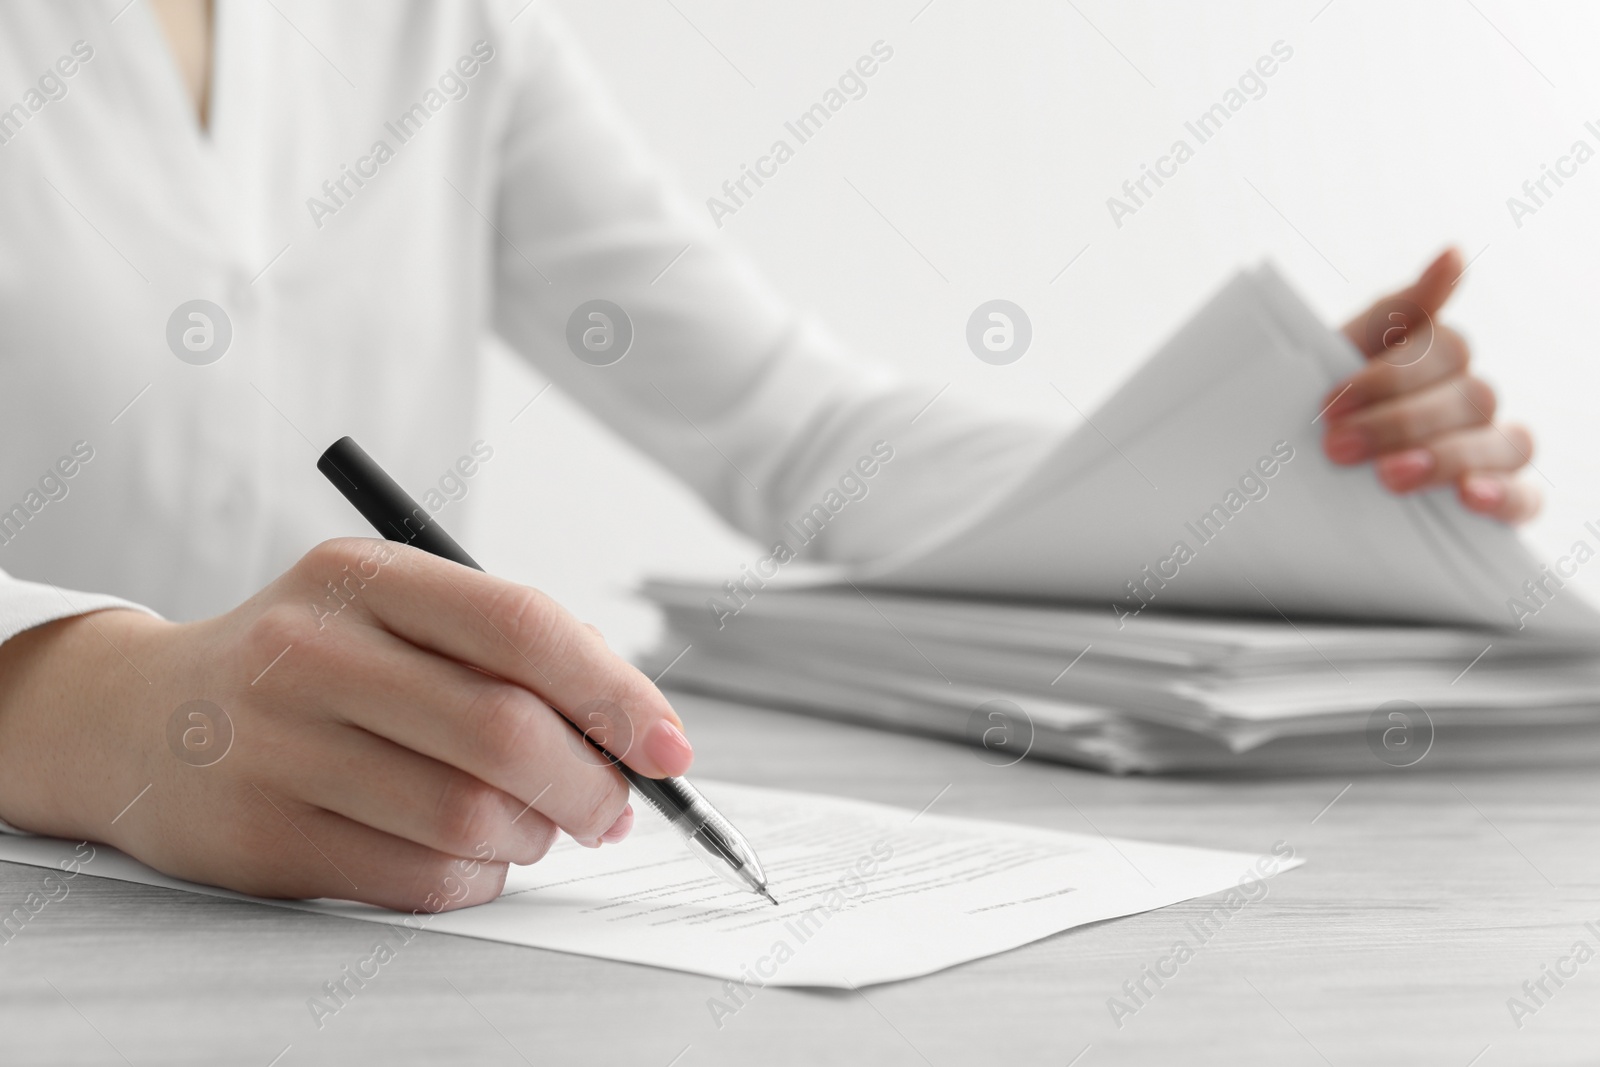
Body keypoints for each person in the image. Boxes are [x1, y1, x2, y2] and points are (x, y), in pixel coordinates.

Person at [0, 0, 1538, 912]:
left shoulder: (433, 23)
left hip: (373, 936)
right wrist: (79, 703)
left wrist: (1239, 473)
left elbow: (798, 435)